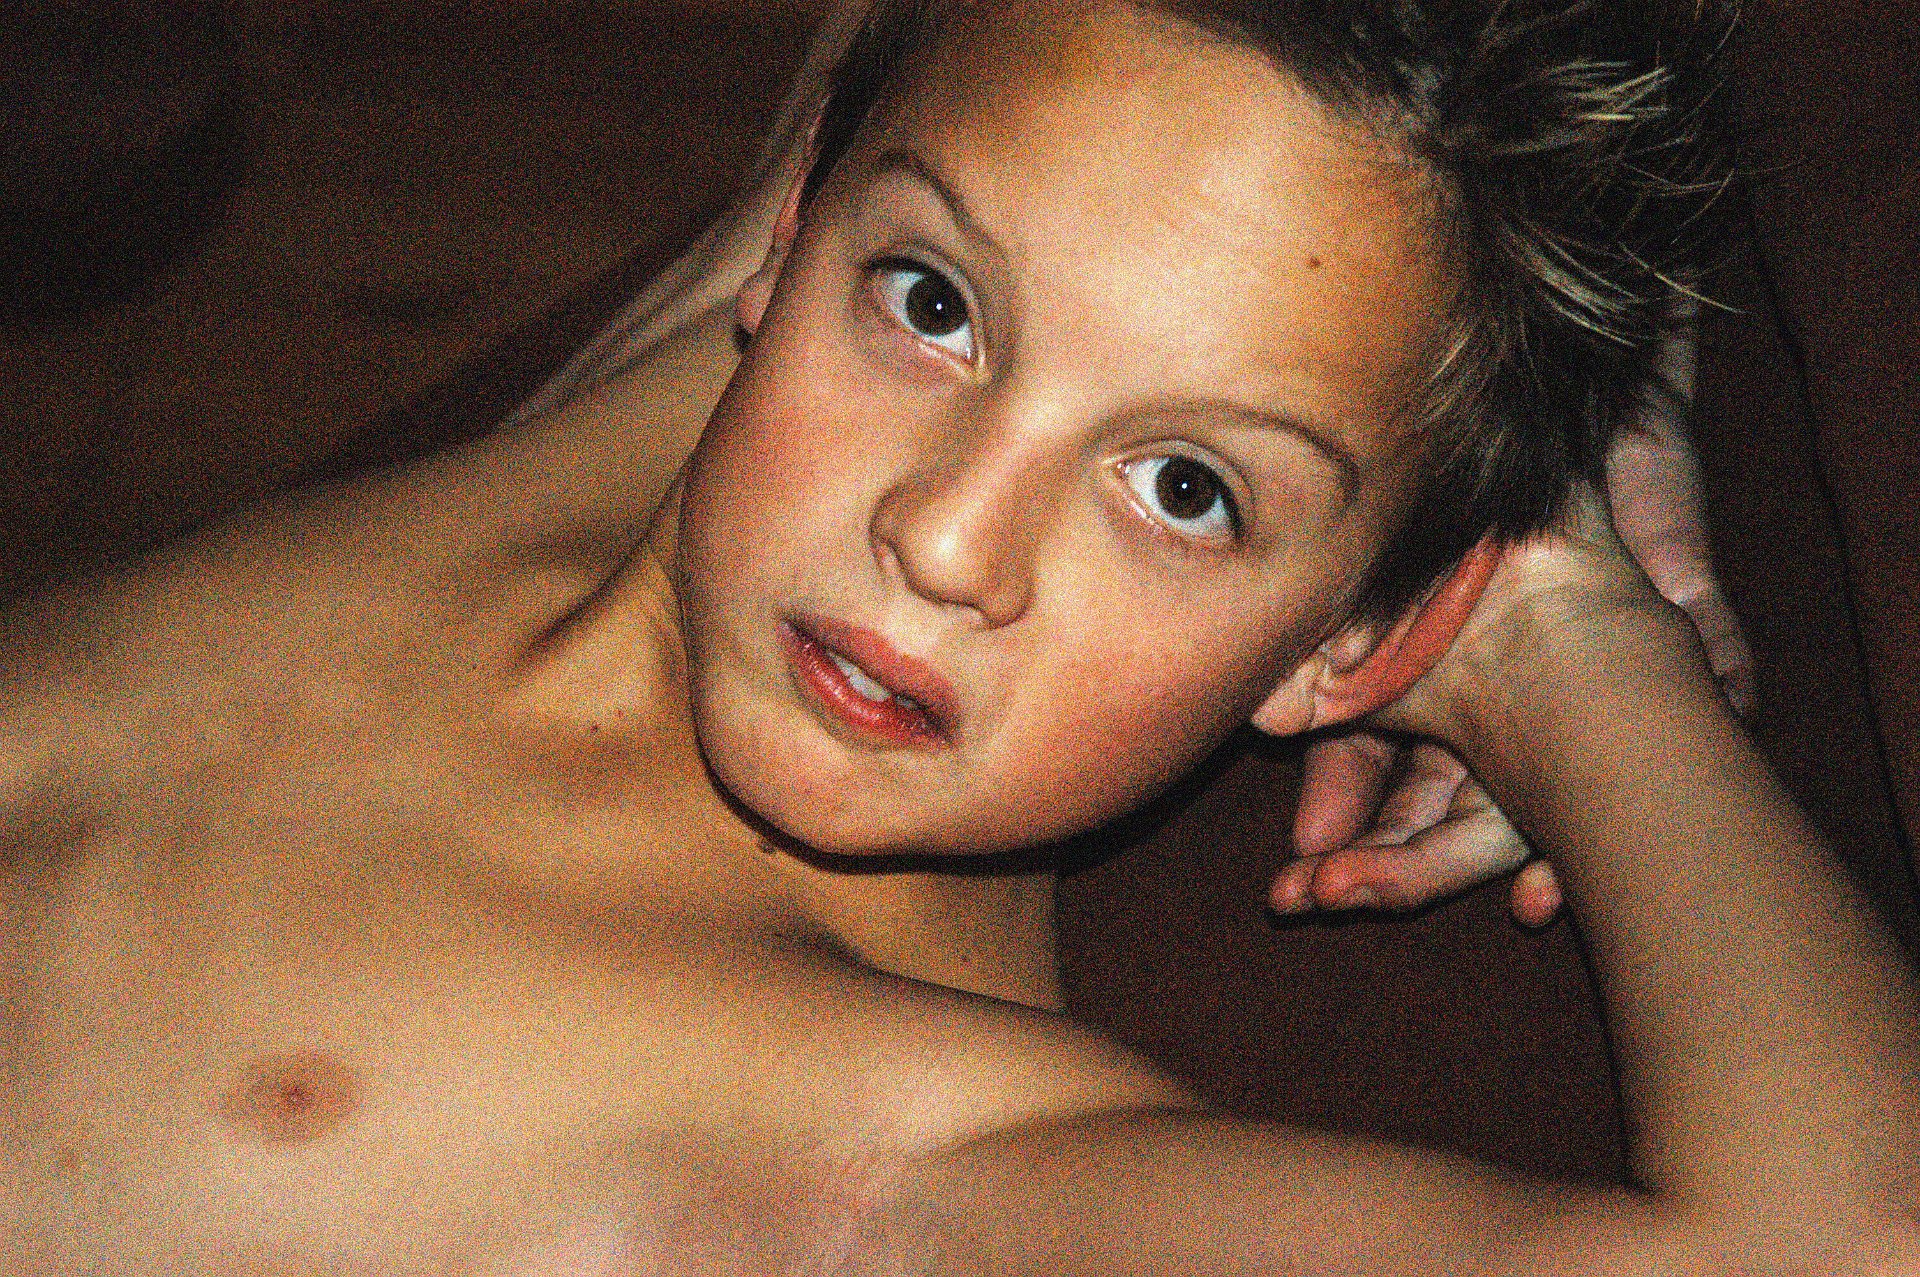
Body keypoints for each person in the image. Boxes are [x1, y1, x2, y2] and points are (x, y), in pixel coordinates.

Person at [3, 3, 1912, 1274]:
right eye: (935, 306)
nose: (942, 535)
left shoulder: (896, 1158)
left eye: (1186, 489)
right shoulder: (715, 345)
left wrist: (1575, 636)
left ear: (1359, 636)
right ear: (796, 225)